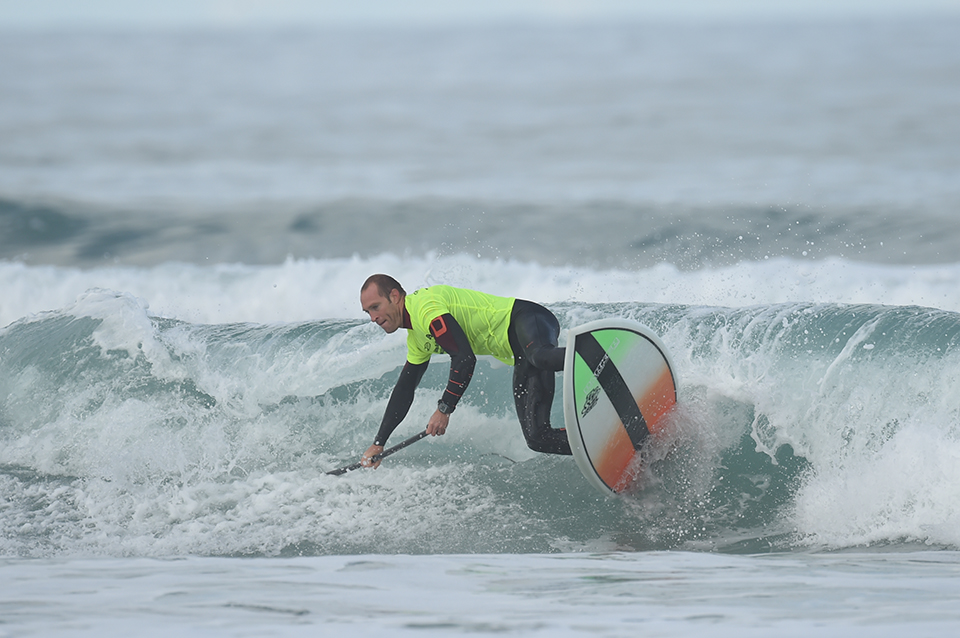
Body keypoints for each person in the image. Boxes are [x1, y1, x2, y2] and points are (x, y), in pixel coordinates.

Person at [359, 273, 571, 468]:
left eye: (375, 307)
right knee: (537, 438)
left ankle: (597, 352)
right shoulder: (417, 339)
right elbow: (405, 389)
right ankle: (597, 441)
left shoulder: (425, 307)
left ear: (394, 296)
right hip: (521, 355)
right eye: (368, 311)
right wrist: (379, 443)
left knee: (541, 356)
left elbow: (464, 358)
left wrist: (444, 409)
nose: (372, 317)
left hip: (526, 319)